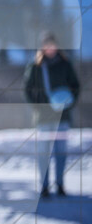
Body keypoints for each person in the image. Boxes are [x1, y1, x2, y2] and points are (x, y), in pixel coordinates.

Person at [24, 32, 80, 198]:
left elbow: (75, 86)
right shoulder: (36, 66)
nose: (50, 48)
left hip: (62, 117)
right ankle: (44, 186)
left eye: (52, 44)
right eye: (47, 45)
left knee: (60, 152)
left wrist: (69, 103)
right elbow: (27, 89)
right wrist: (37, 105)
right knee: (44, 153)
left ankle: (60, 184)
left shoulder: (65, 63)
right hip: (43, 117)